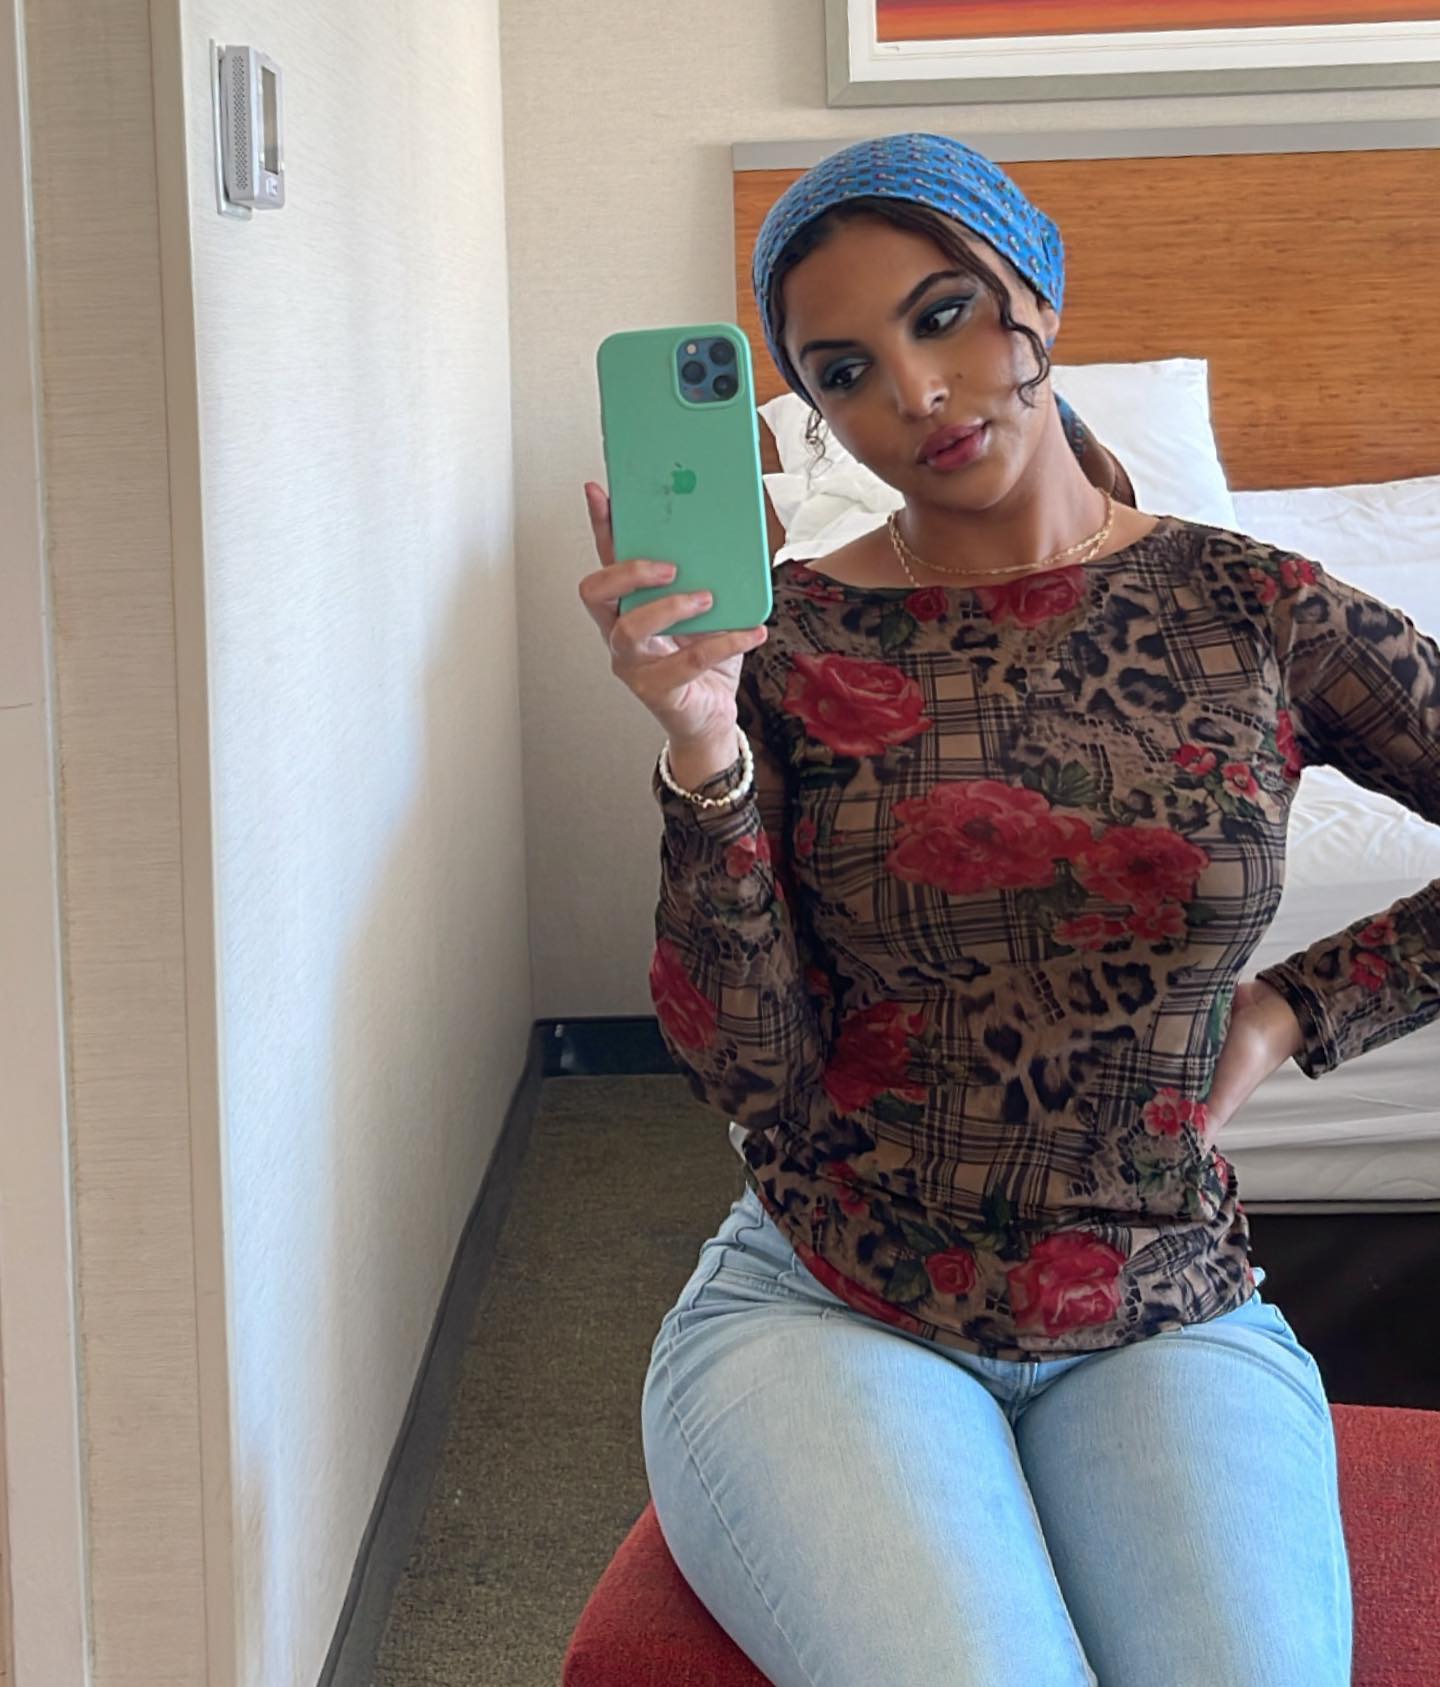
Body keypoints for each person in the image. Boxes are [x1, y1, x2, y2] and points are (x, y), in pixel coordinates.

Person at [578, 132, 1437, 1685]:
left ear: (1035, 288)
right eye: (845, 371)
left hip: (1166, 1303)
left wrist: (1297, 1008)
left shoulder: (1256, 608)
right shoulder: (789, 643)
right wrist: (703, 747)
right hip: (828, 1303)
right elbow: (746, 1070)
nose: (914, 391)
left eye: (946, 314)